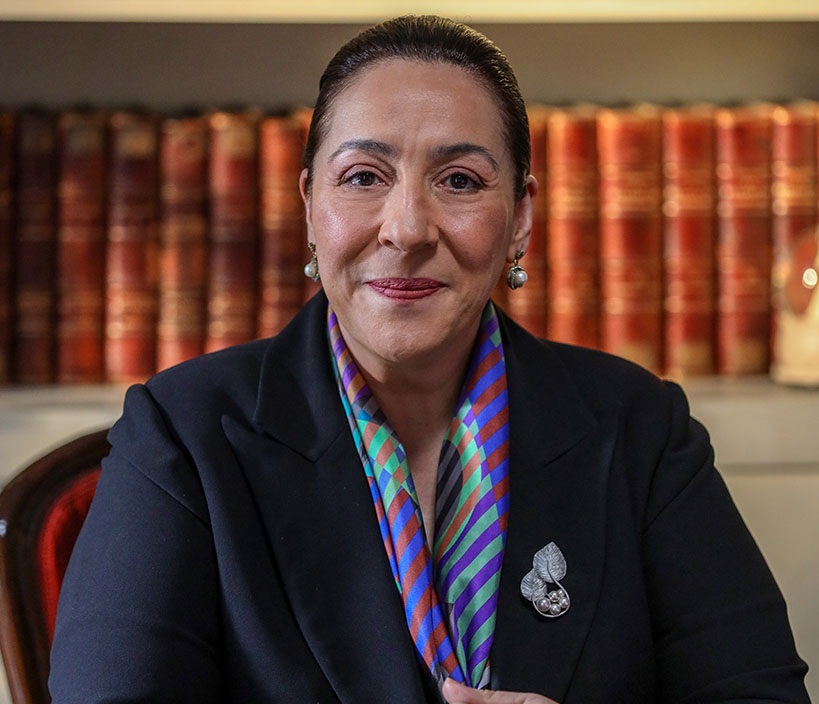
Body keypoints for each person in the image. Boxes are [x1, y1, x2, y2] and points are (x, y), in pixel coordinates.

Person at [49, 15, 809, 704]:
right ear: (309, 205)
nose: (407, 228)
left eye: (459, 181)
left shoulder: (642, 430)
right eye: (363, 177)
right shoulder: (182, 434)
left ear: (521, 218)